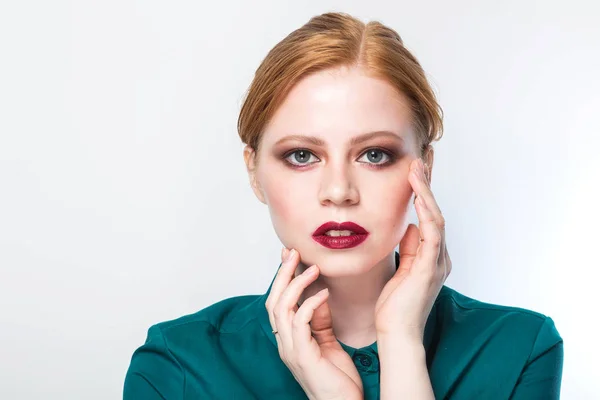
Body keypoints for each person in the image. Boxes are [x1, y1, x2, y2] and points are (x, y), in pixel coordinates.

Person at [123, 11, 563, 399]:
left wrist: (402, 345)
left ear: (423, 168)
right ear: (254, 171)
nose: (338, 191)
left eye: (374, 154)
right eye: (302, 155)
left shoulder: (520, 348)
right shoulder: (177, 367)